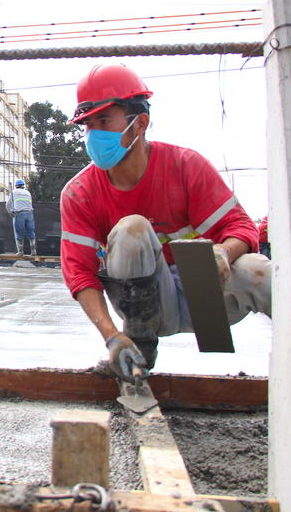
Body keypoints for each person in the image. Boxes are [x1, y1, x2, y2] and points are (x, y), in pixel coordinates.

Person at [59, 63, 272, 383]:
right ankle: (140, 349)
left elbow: (240, 227)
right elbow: (79, 274)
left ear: (140, 122)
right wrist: (112, 336)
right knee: (132, 228)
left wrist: (224, 253)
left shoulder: (185, 167)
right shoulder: (80, 193)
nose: (94, 135)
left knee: (259, 269)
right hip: (147, 308)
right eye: (88, 125)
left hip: (207, 298)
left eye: (104, 121)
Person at [6, 179, 36, 255]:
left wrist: (10, 212)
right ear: (23, 186)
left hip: (19, 214)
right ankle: (33, 251)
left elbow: (7, 204)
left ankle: (20, 251)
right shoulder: (28, 193)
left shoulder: (14, 192)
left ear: (16, 186)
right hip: (30, 213)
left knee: (19, 232)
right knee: (31, 232)